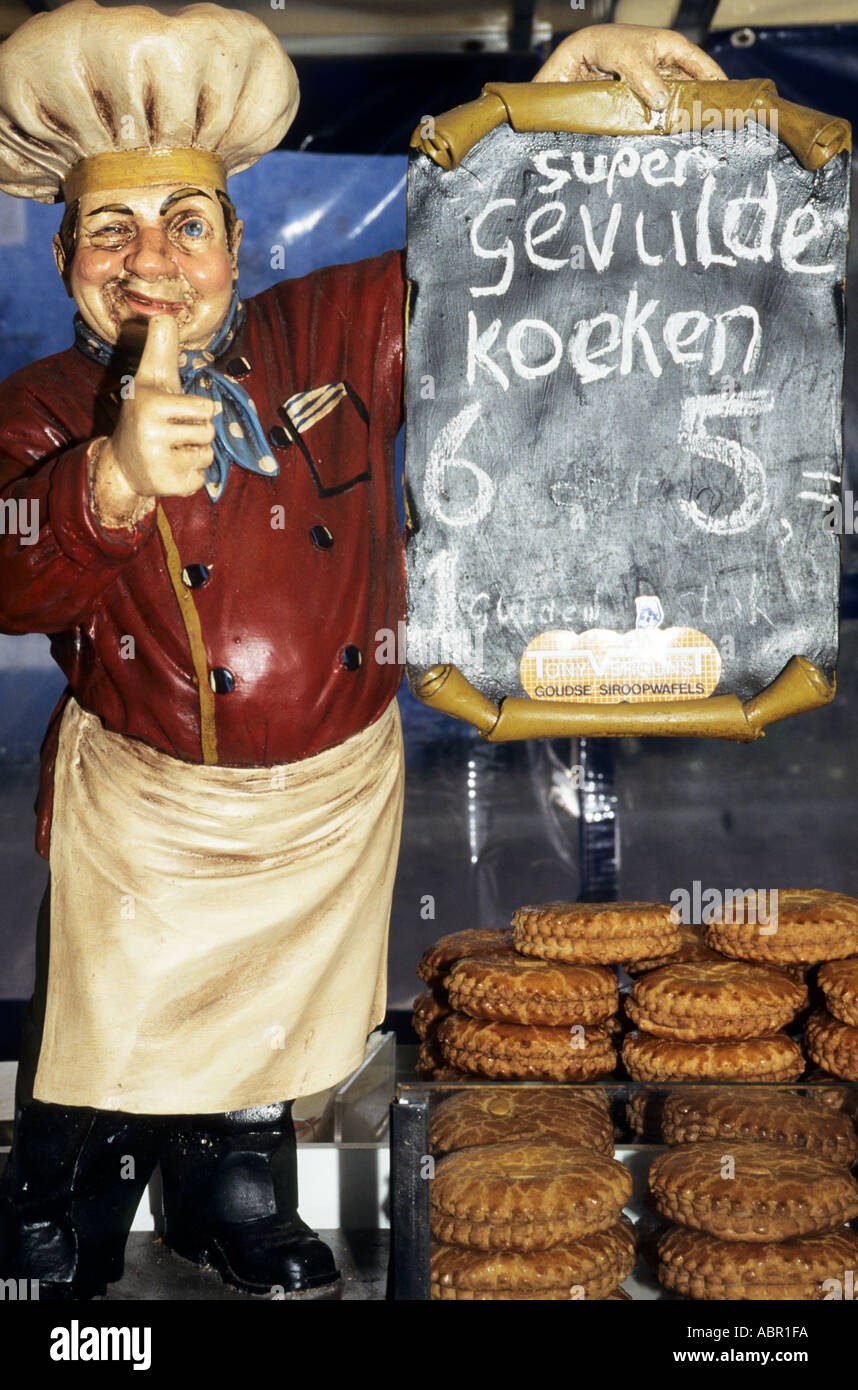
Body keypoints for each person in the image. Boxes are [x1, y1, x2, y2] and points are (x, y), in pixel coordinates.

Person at [0, 0, 725, 1298]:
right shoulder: (39, 414)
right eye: (111, 228)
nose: (150, 257)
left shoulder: (321, 334)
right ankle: (60, 1214)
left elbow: (483, 269)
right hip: (153, 797)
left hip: (332, 788)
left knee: (272, 1023)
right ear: (64, 259)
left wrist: (552, 120)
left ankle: (235, 1196)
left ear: (236, 243)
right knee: (108, 1032)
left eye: (185, 223)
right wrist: (105, 485)